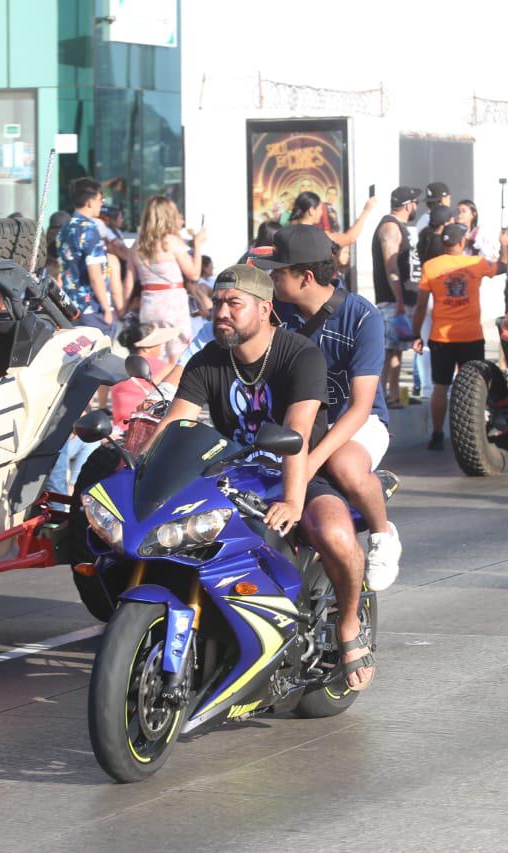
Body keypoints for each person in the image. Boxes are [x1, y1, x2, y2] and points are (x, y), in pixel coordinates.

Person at [154, 263, 376, 691]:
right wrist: (141, 465)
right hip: (234, 472)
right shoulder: (207, 361)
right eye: (217, 303)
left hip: (300, 470)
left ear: (264, 310)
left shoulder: (300, 355)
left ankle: (349, 625)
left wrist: (294, 501)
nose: (221, 312)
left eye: (233, 304)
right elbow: (175, 424)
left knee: (335, 534)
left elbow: (296, 433)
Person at [264, 224, 402, 590]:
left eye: (279, 272)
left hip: (357, 423)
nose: (272, 279)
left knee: (344, 467)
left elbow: (360, 407)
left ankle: (381, 534)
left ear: (305, 277)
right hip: (299, 421)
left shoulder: (362, 317)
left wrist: (310, 462)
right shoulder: (275, 309)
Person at [413, 222, 503, 451]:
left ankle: (437, 434)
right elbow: (501, 267)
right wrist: (505, 246)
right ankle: (477, 431)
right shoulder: (476, 263)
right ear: (462, 242)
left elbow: (421, 305)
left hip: (441, 337)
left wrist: (416, 334)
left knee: (440, 386)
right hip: (471, 336)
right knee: (476, 386)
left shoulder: (430, 266)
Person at [133, 195, 209, 364]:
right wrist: (198, 246)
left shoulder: (137, 244)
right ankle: (171, 389)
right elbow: (194, 274)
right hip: (172, 302)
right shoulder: (172, 242)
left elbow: (129, 282)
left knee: (152, 353)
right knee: (177, 354)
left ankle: (149, 388)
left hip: (148, 302)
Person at [371, 186, 421, 408]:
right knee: (388, 351)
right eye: (415, 202)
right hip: (392, 301)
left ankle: (393, 395)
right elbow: (391, 265)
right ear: (409, 204)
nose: (417, 207)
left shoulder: (397, 226)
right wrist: (399, 299)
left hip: (398, 300)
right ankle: (379, 399)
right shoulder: (390, 227)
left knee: (397, 351)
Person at [57, 177, 121, 335]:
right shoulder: (90, 230)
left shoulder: (65, 228)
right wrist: (106, 308)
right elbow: (95, 275)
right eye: (100, 199)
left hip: (70, 306)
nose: (102, 203)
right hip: (91, 307)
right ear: (90, 202)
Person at [110, 322, 177, 431]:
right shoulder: (160, 366)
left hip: (120, 431)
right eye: (159, 344)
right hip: (146, 431)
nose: (162, 347)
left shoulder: (119, 367)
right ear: (146, 348)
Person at [288, 190, 376, 253]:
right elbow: (350, 238)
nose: (321, 212)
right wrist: (366, 211)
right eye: (320, 209)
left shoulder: (286, 234)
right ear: (311, 210)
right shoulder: (318, 236)